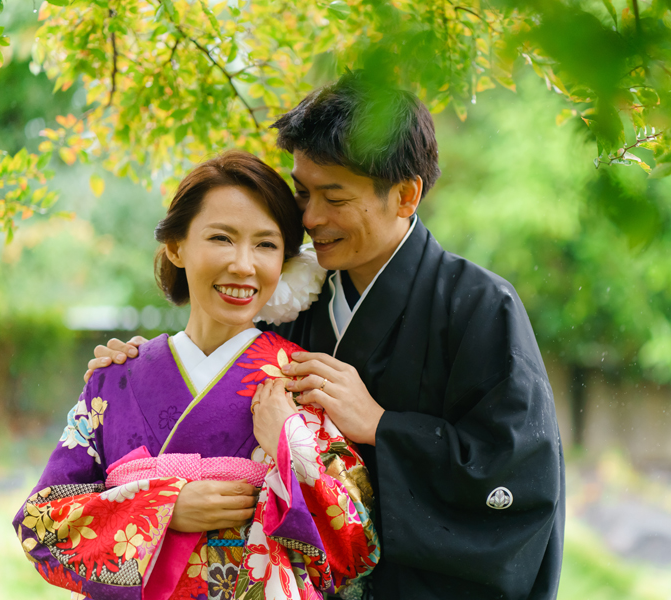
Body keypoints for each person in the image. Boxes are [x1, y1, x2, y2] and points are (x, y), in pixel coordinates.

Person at [87, 71, 565, 600]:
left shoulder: (478, 306)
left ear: (406, 195)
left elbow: (515, 480)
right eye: (302, 192)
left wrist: (383, 427)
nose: (310, 218)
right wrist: (130, 375)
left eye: (333, 197)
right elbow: (204, 416)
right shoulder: (293, 300)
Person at [16, 150, 379, 600]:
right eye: (222, 238)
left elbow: (355, 543)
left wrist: (289, 443)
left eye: (265, 244)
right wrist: (162, 507)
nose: (243, 265)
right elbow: (40, 524)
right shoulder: (115, 378)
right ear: (176, 246)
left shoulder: (301, 381)